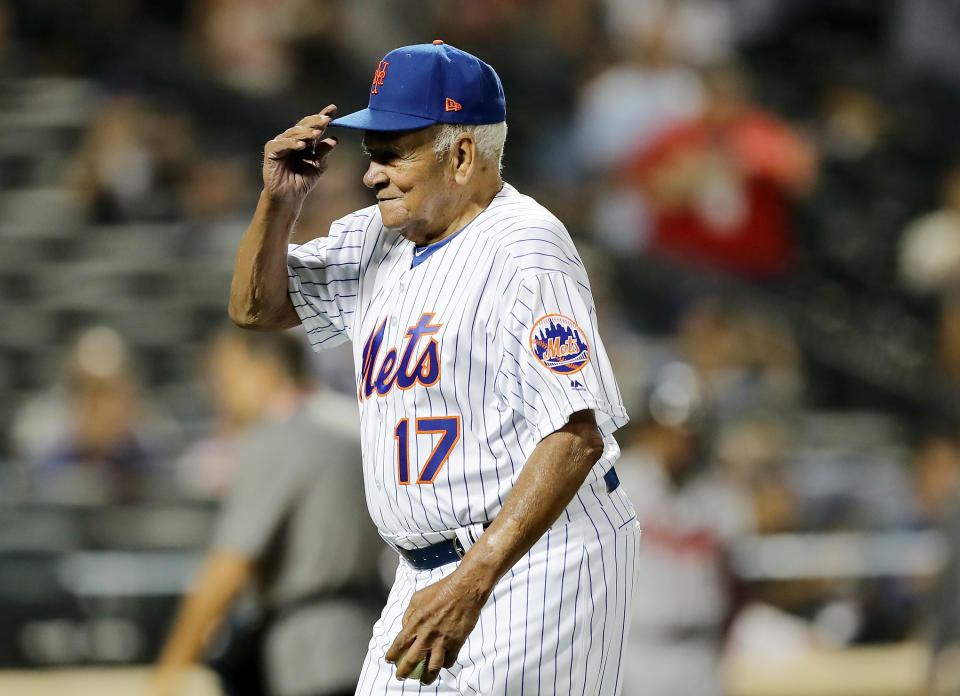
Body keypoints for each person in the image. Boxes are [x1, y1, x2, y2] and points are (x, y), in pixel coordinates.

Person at [228, 42, 640, 694]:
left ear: (463, 154)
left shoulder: (524, 246)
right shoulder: (377, 236)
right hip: (422, 571)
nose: (373, 173)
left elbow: (575, 436)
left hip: (536, 561)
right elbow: (256, 308)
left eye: (394, 151)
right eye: (373, 152)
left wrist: (473, 580)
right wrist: (279, 201)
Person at [150, 329, 382, 696]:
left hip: (308, 656)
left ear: (265, 371)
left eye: (227, 378)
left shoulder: (278, 435)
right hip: (372, 644)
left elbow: (229, 564)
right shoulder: (355, 422)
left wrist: (169, 674)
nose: (219, 395)